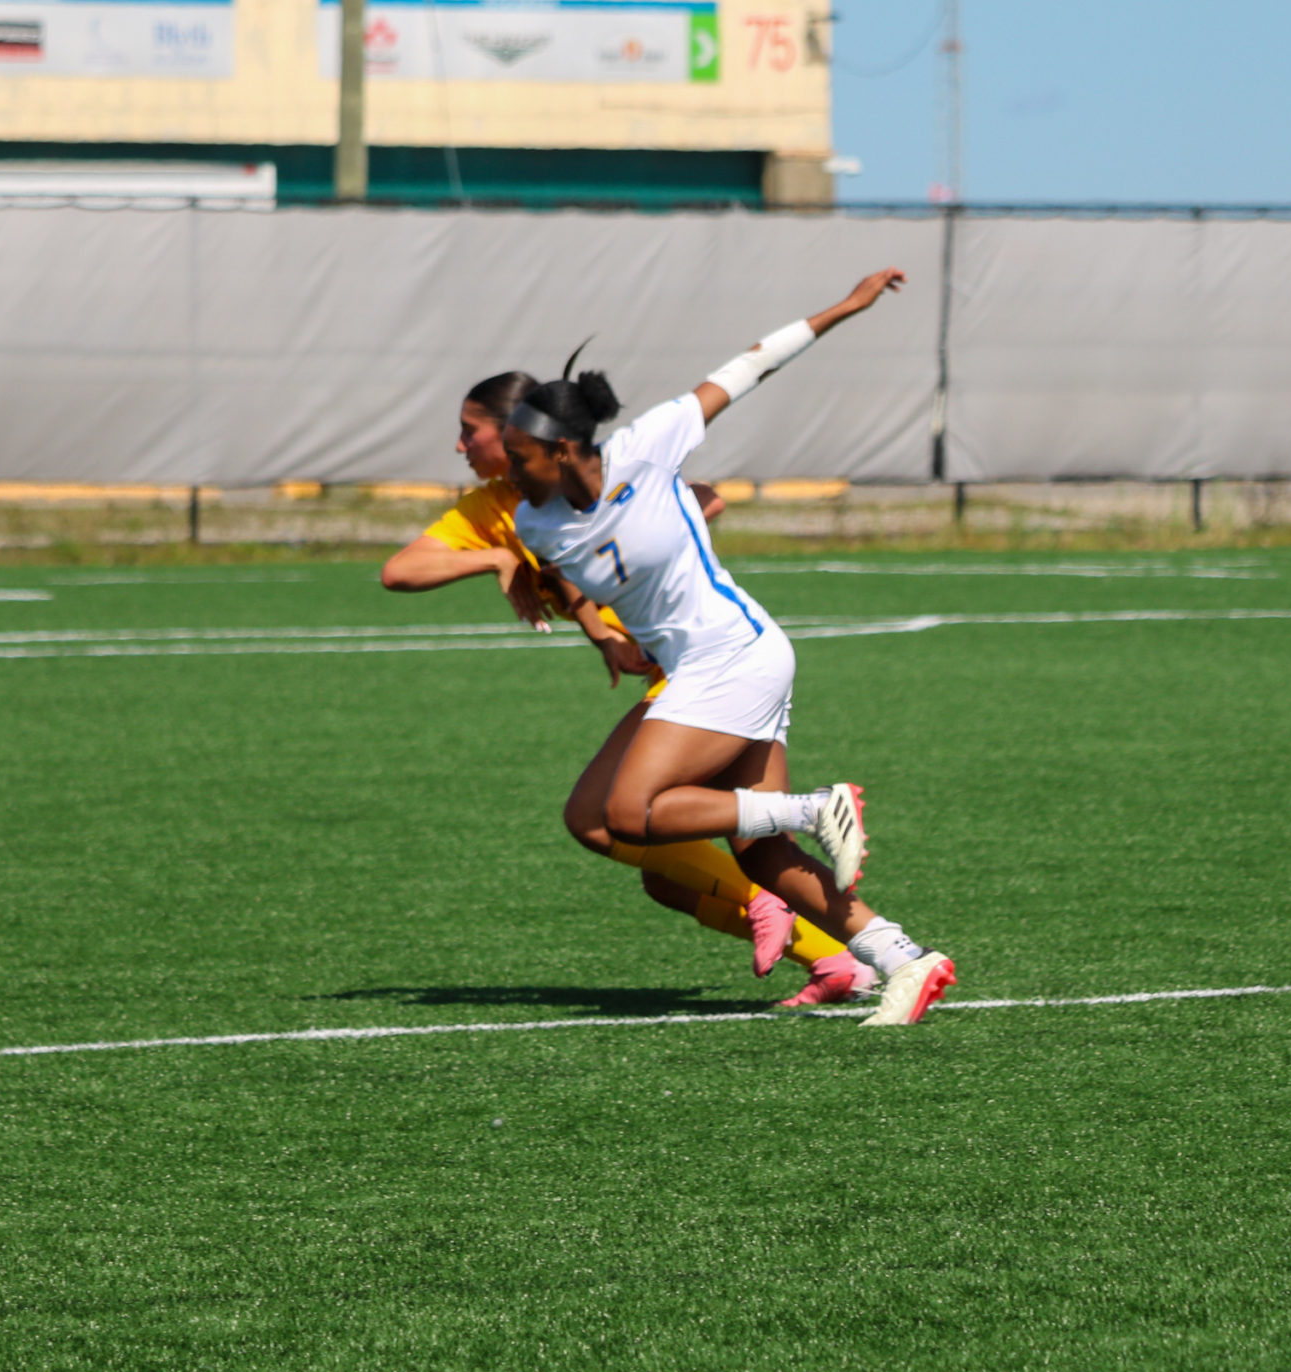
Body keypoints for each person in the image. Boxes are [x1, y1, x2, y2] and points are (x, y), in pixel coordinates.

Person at [503, 269, 958, 1025]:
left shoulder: (649, 446)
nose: (511, 471)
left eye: (521, 456)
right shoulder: (535, 521)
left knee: (630, 812)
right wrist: (530, 579)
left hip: (735, 654)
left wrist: (845, 306)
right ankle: (905, 959)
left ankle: (820, 805)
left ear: (566, 448)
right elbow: (575, 570)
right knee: (757, 854)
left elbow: (746, 366)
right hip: (702, 667)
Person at [380, 369, 875, 1008]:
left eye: (469, 431)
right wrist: (503, 563)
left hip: (701, 670)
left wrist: (650, 541)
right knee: (675, 878)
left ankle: (814, 910)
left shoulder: (582, 476)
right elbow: (400, 571)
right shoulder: (499, 511)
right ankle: (850, 958)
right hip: (679, 673)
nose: (460, 446)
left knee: (602, 821)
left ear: (514, 436)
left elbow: (700, 496)